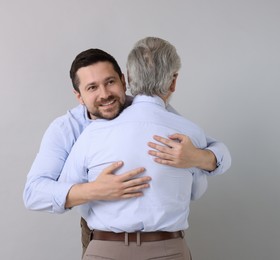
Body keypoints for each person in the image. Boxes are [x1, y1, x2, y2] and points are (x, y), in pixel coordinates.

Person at [23, 45, 231, 256]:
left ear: (124, 80)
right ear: (79, 96)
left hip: (162, 241)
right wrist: (96, 190)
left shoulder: (156, 113)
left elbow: (213, 147)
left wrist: (199, 157)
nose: (105, 95)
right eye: (92, 88)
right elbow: (34, 193)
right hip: (99, 235)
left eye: (110, 82)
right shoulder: (67, 129)